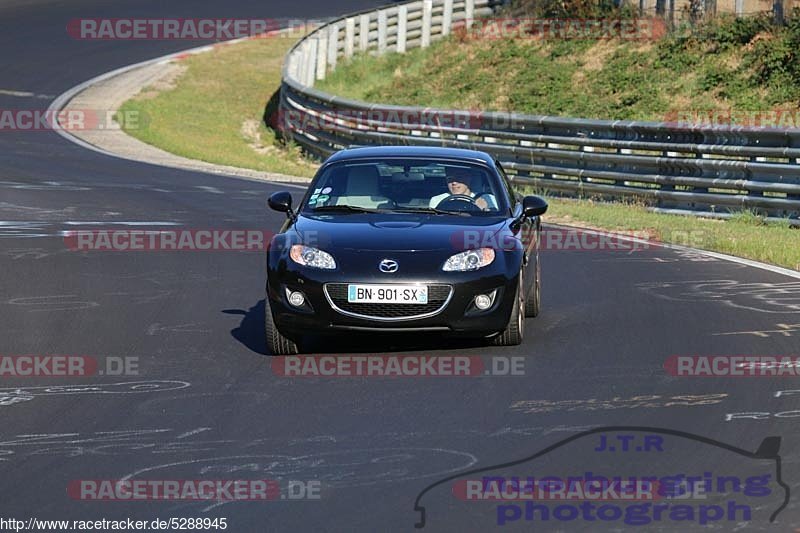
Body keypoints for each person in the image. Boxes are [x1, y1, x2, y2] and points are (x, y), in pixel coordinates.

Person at [429, 168, 498, 211]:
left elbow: (495, 223)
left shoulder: (487, 198)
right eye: (450, 178)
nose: (454, 182)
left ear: (468, 178)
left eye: (459, 177)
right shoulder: (437, 200)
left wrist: (485, 210)